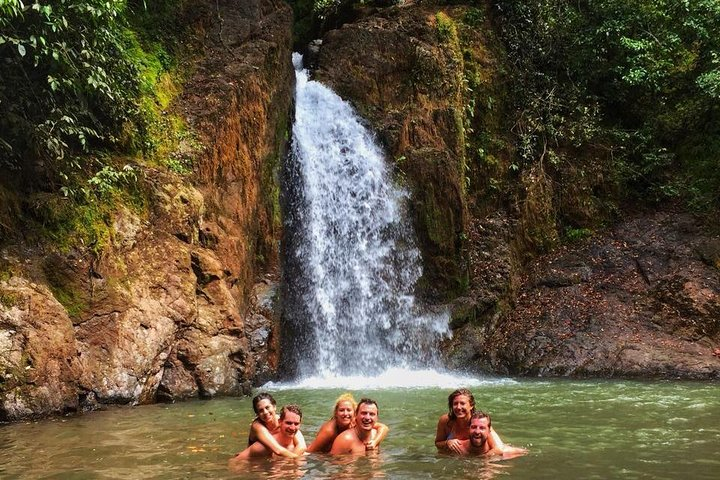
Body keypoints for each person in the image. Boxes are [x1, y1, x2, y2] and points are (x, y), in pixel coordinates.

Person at [307, 393, 389, 453]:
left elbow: (384, 427)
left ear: (354, 413)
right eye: (341, 410)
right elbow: (310, 451)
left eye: (349, 410)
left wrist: (375, 441)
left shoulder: (356, 421)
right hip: (324, 455)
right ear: (336, 413)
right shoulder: (329, 430)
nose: (345, 414)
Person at [435, 388, 506, 454]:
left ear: (471, 406)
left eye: (462, 403)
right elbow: (437, 443)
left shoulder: (479, 422)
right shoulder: (445, 420)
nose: (458, 407)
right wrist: (447, 443)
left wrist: (480, 461)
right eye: (455, 404)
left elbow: (498, 449)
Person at [230, 404, 305, 462]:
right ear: (280, 422)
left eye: (296, 424)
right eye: (288, 423)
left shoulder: (298, 444)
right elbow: (235, 462)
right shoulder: (263, 447)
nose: (292, 428)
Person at [247, 393, 306, 458]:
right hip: (256, 459)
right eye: (261, 410)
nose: (265, 412)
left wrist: (290, 461)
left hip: (274, 456)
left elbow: (302, 445)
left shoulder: (283, 421)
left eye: (267, 407)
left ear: (274, 407)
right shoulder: (257, 426)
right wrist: (293, 459)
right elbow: (278, 450)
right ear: (257, 414)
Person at [458, 412, 527, 458]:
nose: (477, 431)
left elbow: (526, 452)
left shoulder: (505, 452)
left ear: (489, 431)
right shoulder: (457, 448)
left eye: (482, 428)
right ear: (468, 429)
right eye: (473, 427)